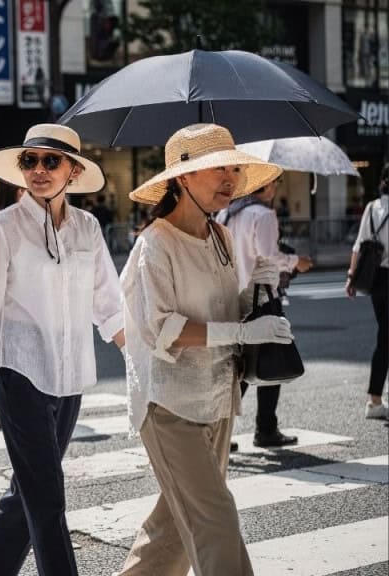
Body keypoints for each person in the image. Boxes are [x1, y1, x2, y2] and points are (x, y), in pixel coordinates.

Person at [118, 124, 291, 576]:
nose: (229, 178)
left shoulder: (222, 237)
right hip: (168, 404)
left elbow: (226, 311)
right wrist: (242, 332)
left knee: (174, 530)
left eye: (234, 167)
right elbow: (162, 330)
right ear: (181, 178)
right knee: (215, 520)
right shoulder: (154, 244)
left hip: (217, 398)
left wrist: (257, 290)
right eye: (216, 168)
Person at [0, 124, 124, 576]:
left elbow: (108, 303)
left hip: (70, 374)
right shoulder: (3, 227)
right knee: (48, 496)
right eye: (29, 161)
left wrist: (141, 367)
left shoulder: (88, 227)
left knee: (29, 487)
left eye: (51, 161)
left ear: (72, 171)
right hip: (18, 370)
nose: (38, 170)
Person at [218, 178, 313, 448]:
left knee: (242, 365)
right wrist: (297, 261)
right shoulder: (263, 214)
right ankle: (266, 429)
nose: (277, 188)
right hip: (262, 296)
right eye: (276, 183)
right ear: (268, 186)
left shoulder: (228, 211)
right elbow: (269, 256)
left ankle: (220, 429)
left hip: (233, 296)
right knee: (272, 355)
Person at [348, 163, 389, 419]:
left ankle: (375, 399)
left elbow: (359, 245)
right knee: (385, 339)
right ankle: (374, 400)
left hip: (376, 279)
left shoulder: (373, 208)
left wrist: (351, 277)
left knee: (386, 335)